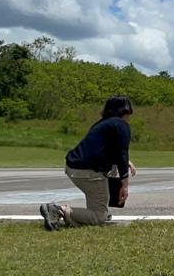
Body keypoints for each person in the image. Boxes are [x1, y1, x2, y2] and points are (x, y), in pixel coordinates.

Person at [39, 96, 137, 230]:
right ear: (126, 110)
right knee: (98, 217)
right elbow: (122, 153)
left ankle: (94, 211)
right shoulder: (121, 124)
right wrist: (125, 186)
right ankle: (57, 210)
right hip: (89, 172)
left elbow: (102, 148)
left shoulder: (102, 123)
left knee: (99, 208)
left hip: (73, 168)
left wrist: (126, 161)